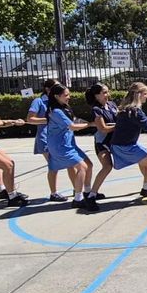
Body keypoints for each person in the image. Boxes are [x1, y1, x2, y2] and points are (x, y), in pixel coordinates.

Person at [43, 83, 98, 211]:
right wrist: (90, 124)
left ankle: (87, 192)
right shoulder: (56, 111)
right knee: (82, 167)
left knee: (88, 164)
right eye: (66, 95)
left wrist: (87, 122)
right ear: (57, 96)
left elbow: (75, 120)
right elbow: (72, 126)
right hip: (60, 147)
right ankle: (78, 199)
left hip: (69, 144)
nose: (69, 97)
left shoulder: (64, 108)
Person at [26, 78, 70, 202]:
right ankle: (54, 192)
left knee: (71, 163)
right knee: (53, 164)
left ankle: (77, 189)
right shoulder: (39, 101)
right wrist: (49, 120)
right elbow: (30, 119)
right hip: (45, 138)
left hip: (59, 137)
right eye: (56, 87)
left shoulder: (59, 102)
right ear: (47, 89)